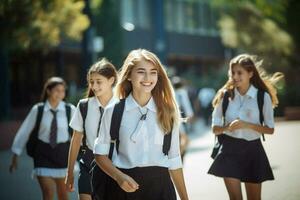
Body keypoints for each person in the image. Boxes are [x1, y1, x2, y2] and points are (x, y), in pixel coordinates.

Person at [93, 49, 189, 200]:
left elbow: (175, 160)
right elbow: (100, 154)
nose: (147, 78)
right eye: (141, 72)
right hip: (124, 189)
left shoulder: (168, 111)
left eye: (153, 72)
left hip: (161, 189)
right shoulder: (113, 110)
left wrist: (185, 198)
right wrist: (119, 177)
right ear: (129, 75)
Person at [208, 54, 284, 200]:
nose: (235, 76)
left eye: (239, 73)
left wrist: (246, 125)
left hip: (253, 151)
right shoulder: (225, 96)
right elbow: (214, 128)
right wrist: (226, 128)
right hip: (229, 150)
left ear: (250, 73)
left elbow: (270, 129)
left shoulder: (263, 97)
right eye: (233, 73)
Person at [9, 77, 76, 200]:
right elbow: (24, 131)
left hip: (62, 155)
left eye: (63, 91)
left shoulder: (70, 110)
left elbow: (80, 133)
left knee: (63, 195)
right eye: (57, 90)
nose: (60, 93)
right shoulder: (38, 109)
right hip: (43, 155)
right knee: (48, 192)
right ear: (48, 91)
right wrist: (15, 154)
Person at [65, 58, 118, 200]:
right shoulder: (84, 106)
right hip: (88, 162)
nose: (94, 86)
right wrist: (69, 172)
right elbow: (75, 140)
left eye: (98, 81)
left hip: (114, 166)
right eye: (91, 81)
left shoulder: (122, 106)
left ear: (111, 80)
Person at [172, 76, 194, 160]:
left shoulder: (170, 92)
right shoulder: (182, 93)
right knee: (184, 142)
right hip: (181, 121)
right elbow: (187, 108)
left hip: (172, 121)